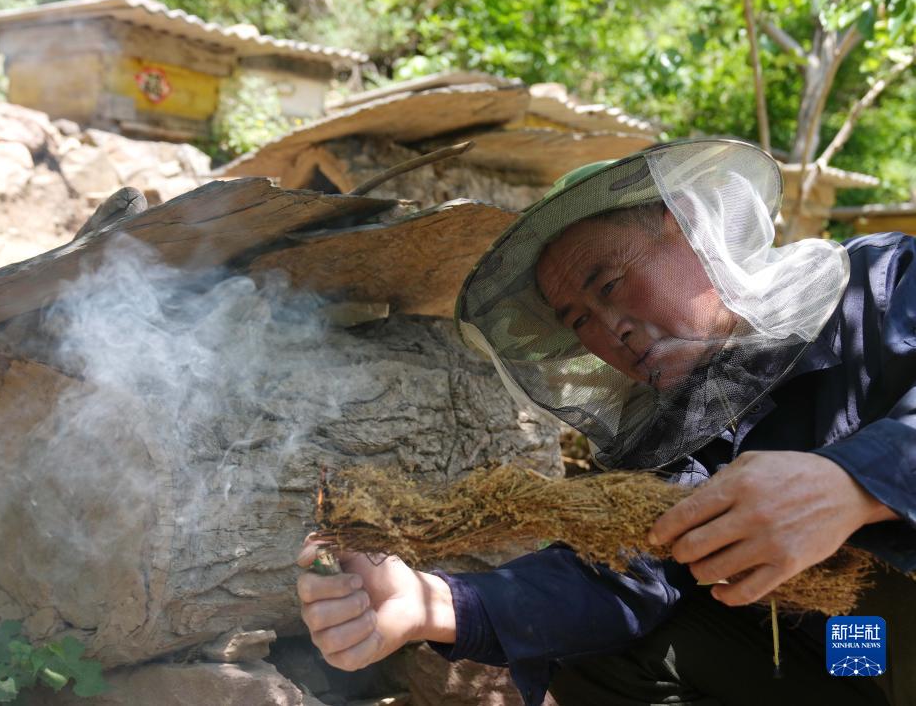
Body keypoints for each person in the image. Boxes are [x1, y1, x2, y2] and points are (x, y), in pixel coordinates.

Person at [296, 138, 916, 705]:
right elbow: (622, 574)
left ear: (691, 230)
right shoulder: (671, 433)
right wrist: (432, 606)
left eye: (612, 282)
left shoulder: (886, 287)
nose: (608, 329)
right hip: (855, 661)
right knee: (602, 654)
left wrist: (855, 486)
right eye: (578, 320)